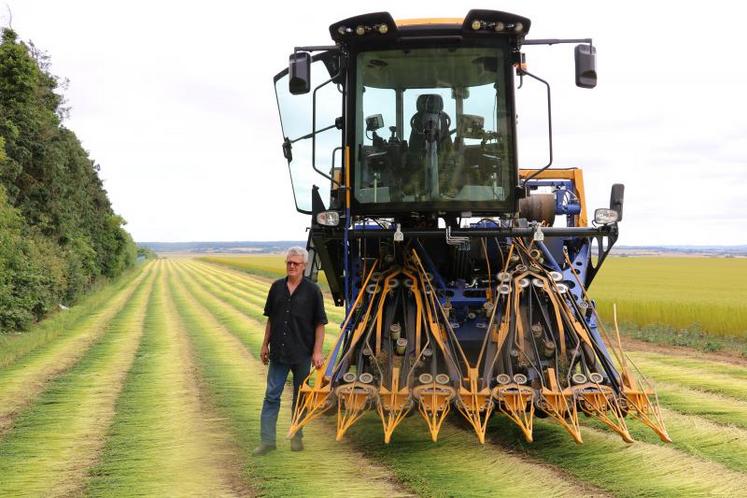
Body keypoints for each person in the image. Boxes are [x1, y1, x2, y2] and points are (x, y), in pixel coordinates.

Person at [252, 246, 327, 456]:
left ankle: (297, 436)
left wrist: (317, 352)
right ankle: (267, 442)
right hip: (278, 353)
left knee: (300, 397)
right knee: (271, 396)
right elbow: (271, 319)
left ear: (303, 266)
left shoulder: (313, 291)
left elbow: (320, 324)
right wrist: (264, 344)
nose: (291, 266)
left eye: (295, 263)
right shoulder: (276, 287)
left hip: (302, 353)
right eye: (288, 262)